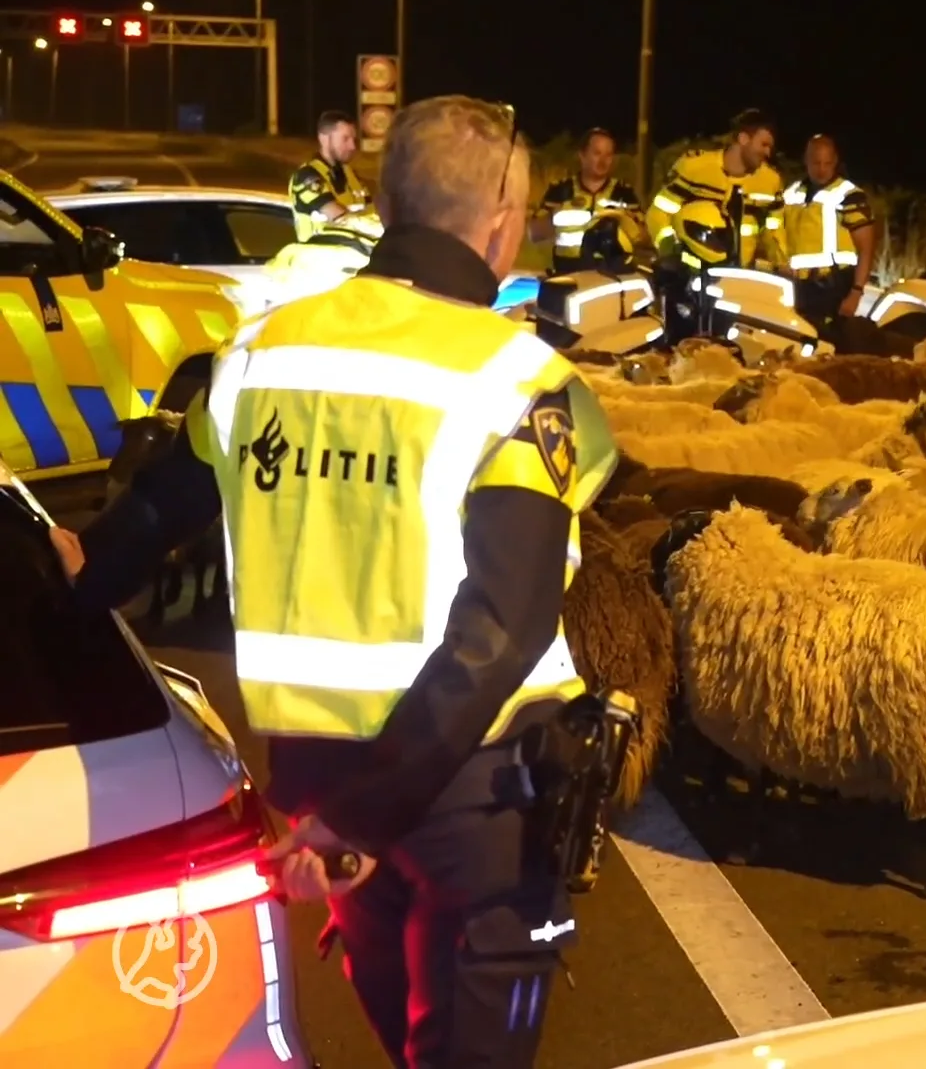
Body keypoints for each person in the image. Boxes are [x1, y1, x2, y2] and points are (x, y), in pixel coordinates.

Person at [59, 95, 617, 1068]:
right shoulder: (518, 379)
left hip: (311, 779)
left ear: (389, 199)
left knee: (397, 1033)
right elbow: (504, 628)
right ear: (503, 220)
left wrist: (58, 587)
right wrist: (362, 820)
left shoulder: (258, 356)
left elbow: (143, 526)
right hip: (460, 800)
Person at [643, 108, 787, 343]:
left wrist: (781, 263)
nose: (767, 152)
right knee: (680, 344)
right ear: (743, 138)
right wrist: (670, 252)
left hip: (737, 281)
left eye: (770, 146)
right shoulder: (696, 167)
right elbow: (658, 212)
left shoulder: (770, 181)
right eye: (763, 144)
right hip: (688, 277)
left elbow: (774, 226)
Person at [776, 134, 878, 337]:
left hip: (834, 289)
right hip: (797, 289)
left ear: (835, 162)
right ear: (806, 161)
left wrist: (856, 293)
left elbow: (867, 248)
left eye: (827, 163)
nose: (821, 169)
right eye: (816, 162)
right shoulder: (790, 194)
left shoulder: (849, 195)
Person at [533, 127, 641, 275]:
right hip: (568, 274)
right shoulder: (560, 191)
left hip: (611, 277)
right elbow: (534, 234)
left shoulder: (624, 193)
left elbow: (644, 236)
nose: (603, 161)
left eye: (608, 155)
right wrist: (557, 215)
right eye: (597, 153)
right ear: (582, 155)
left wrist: (626, 222)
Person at [289, 110, 372, 241]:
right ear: (324, 139)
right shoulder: (307, 177)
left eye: (353, 139)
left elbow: (372, 214)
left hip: (354, 257)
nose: (352, 146)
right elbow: (339, 218)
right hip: (319, 258)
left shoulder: (351, 175)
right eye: (345, 139)